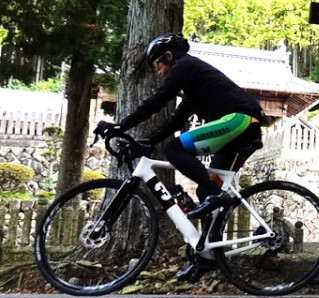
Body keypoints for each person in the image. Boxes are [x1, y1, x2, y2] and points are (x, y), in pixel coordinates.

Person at [96, 33, 265, 281]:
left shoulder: (185, 65)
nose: (160, 71)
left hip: (240, 120)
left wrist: (121, 126)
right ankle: (206, 259)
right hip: (240, 129)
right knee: (206, 193)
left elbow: (157, 101)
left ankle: (216, 198)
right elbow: (173, 121)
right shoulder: (194, 87)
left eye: (159, 65)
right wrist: (148, 141)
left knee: (174, 150)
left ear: (168, 56)